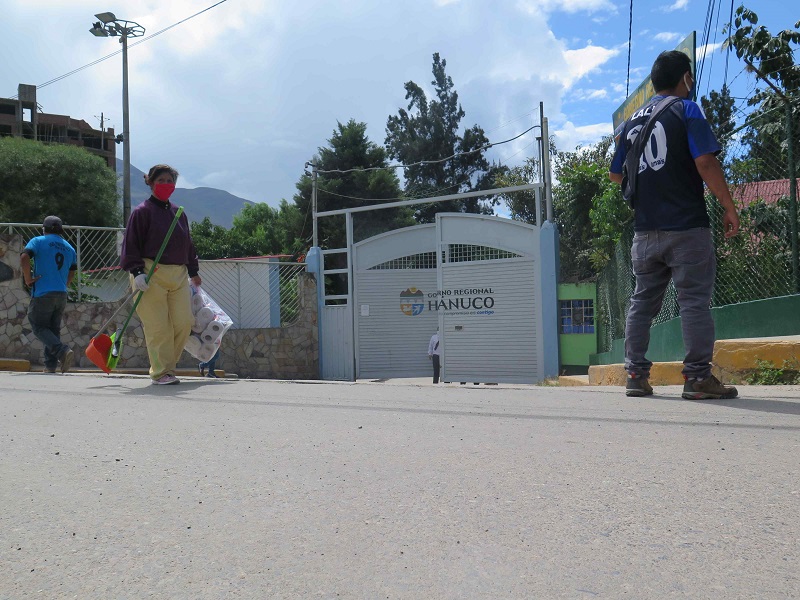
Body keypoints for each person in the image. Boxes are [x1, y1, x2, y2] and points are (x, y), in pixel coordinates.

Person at [609, 50, 740, 400]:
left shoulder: (630, 123)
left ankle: (635, 375)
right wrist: (729, 207)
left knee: (641, 302)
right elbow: (705, 162)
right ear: (685, 78)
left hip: (644, 232)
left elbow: (615, 174)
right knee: (693, 301)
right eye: (690, 77)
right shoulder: (687, 109)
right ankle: (697, 378)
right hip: (686, 227)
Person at [121, 164, 200, 385]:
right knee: (158, 327)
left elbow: (187, 244)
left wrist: (193, 271)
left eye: (170, 181)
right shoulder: (141, 212)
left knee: (184, 322)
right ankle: (161, 372)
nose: (166, 184)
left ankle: (166, 366)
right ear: (151, 182)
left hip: (178, 274)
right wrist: (137, 272)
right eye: (161, 180)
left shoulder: (179, 213)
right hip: (150, 273)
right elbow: (131, 244)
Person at [20, 216, 77, 374]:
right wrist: (63, 284)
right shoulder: (70, 248)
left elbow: (24, 256)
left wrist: (27, 278)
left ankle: (62, 350)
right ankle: (50, 366)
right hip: (61, 293)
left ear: (44, 229)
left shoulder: (38, 241)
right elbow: (72, 271)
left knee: (38, 326)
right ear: (60, 230)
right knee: (53, 330)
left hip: (43, 292)